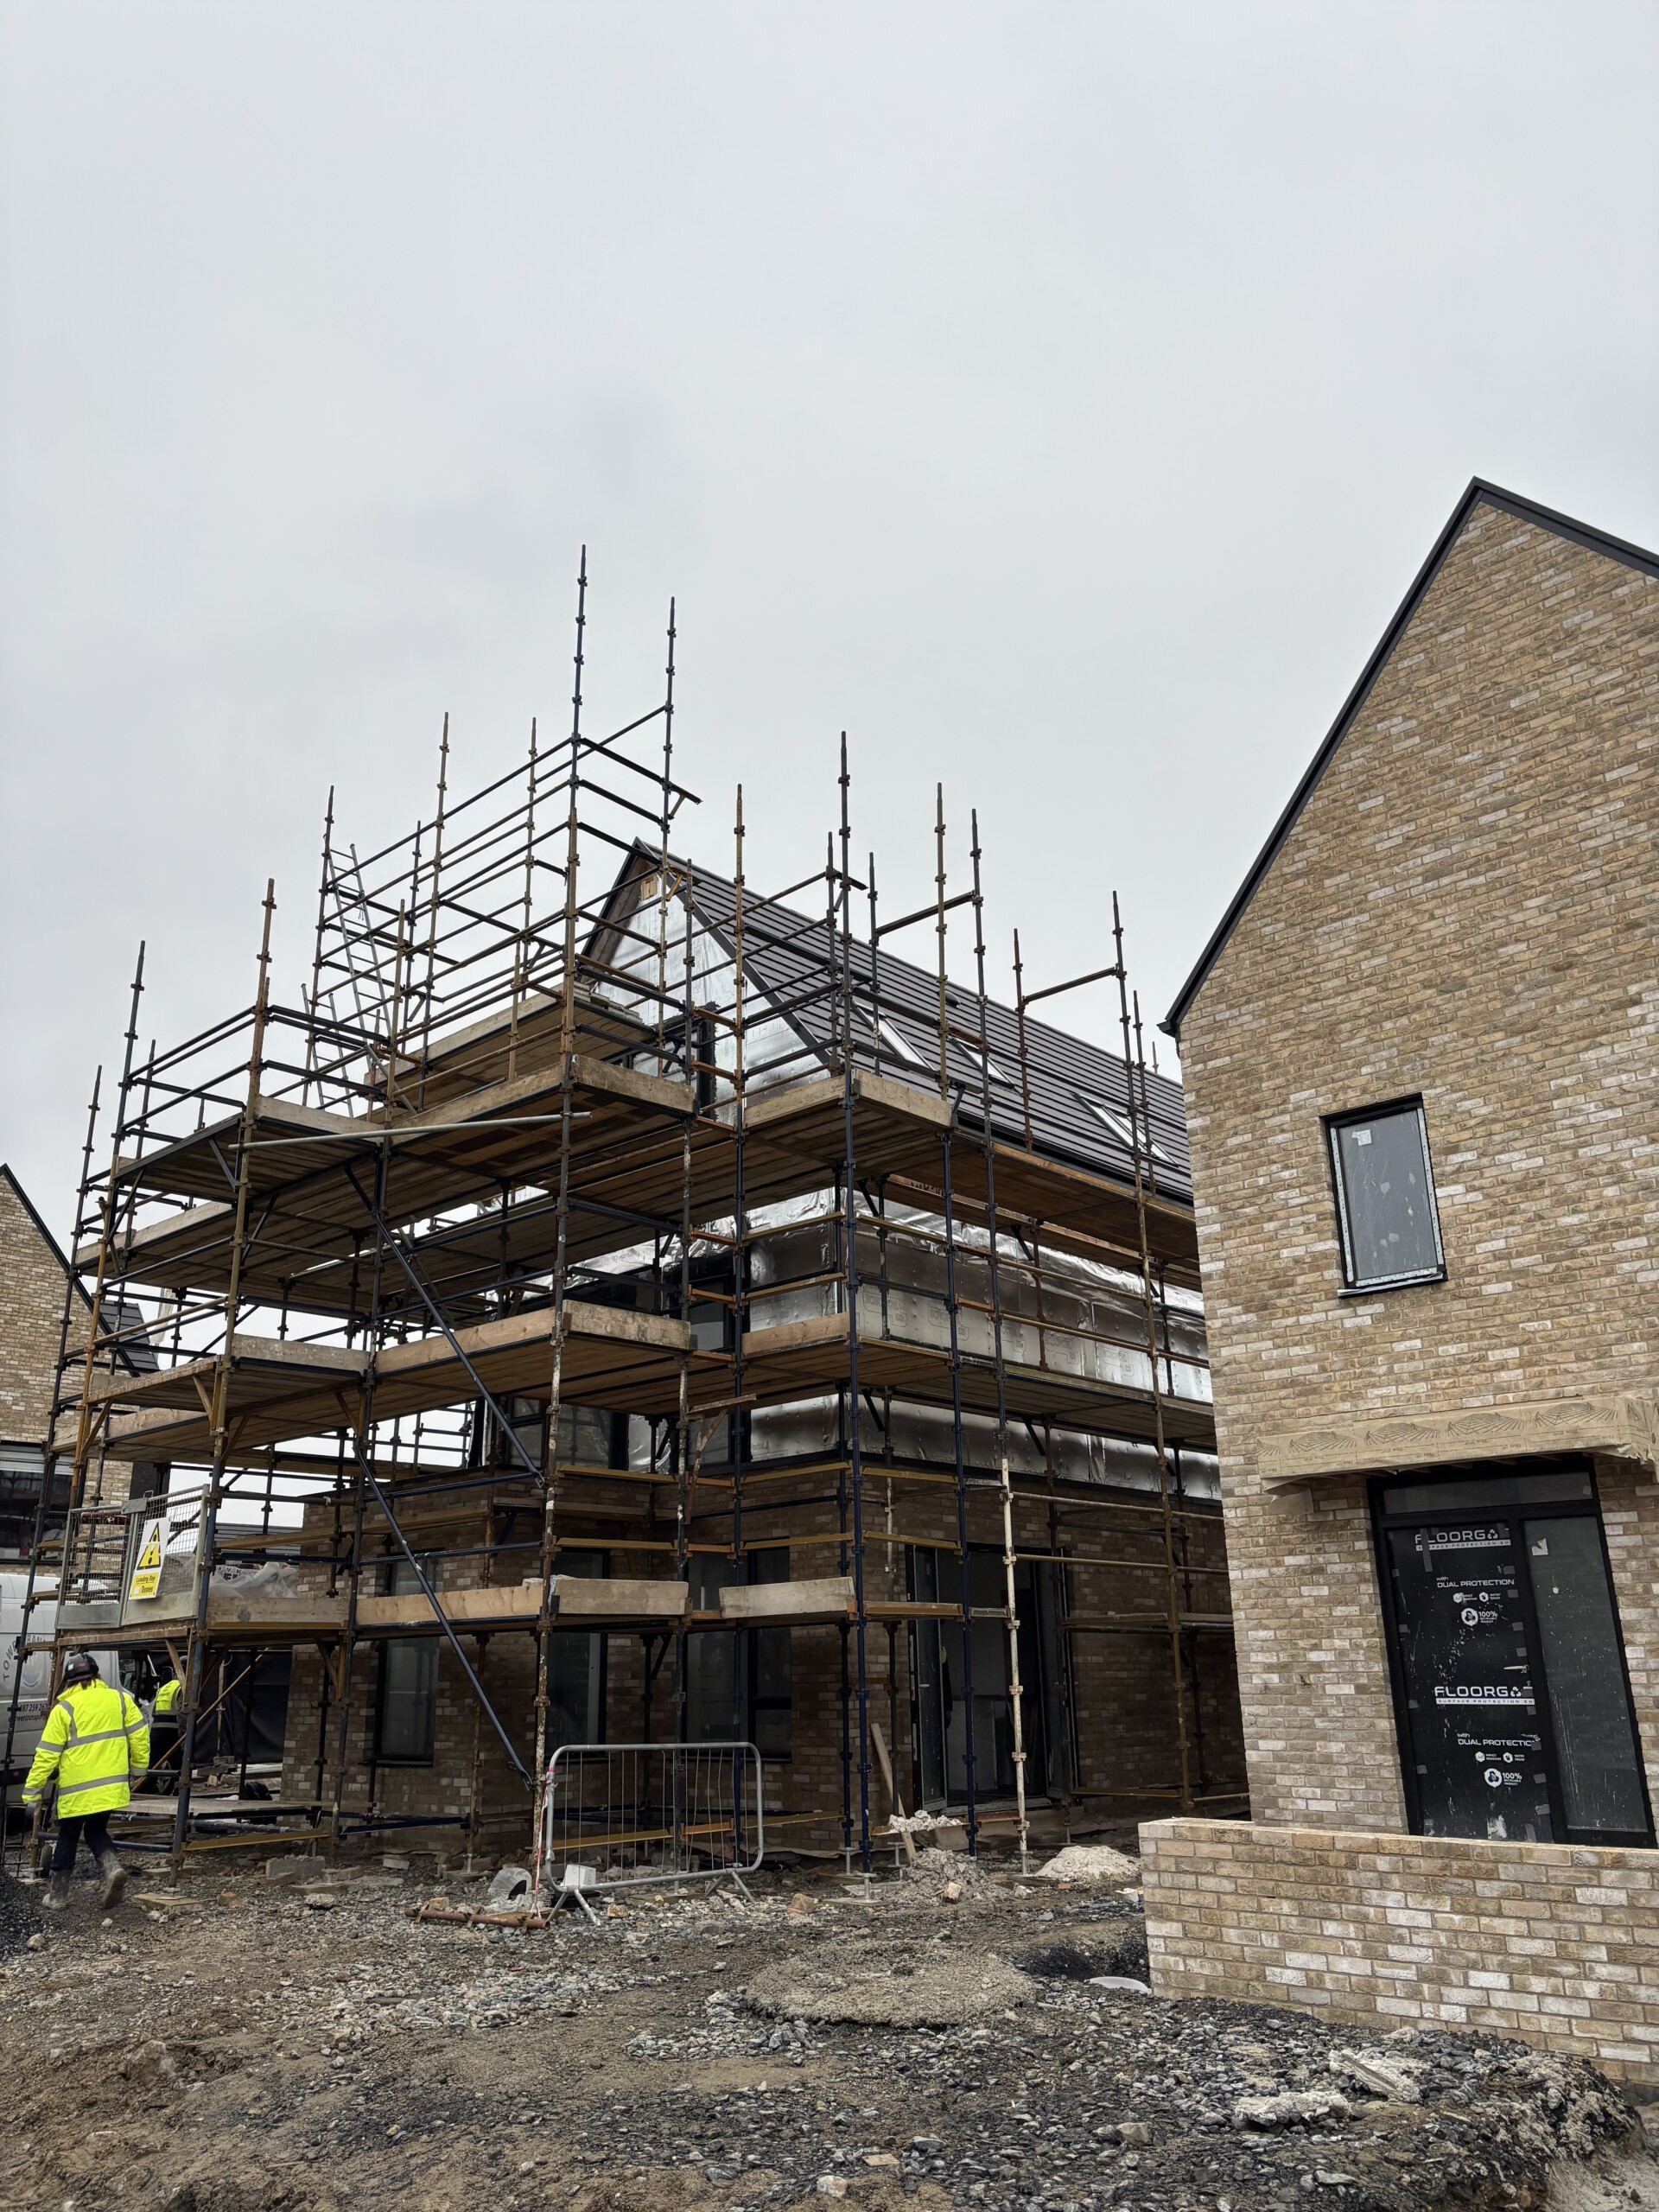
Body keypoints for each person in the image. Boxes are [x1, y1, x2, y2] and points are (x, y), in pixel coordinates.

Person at [22, 1652, 149, 1910]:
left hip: (76, 1790)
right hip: (110, 1788)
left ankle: (57, 1896)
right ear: (97, 1675)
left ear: (68, 1682)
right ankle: (112, 1868)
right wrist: (139, 1769)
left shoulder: (64, 1709)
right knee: (95, 1830)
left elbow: (46, 1755)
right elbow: (140, 1735)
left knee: (68, 1835)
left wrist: (32, 1793)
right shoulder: (120, 1699)